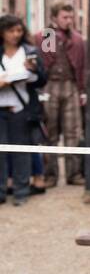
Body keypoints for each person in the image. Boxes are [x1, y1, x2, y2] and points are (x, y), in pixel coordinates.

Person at [0, 15, 49, 207]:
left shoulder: (30, 51)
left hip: (21, 109)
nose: (15, 34)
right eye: (11, 30)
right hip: (0, 109)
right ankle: (1, 190)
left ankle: (21, 190)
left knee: (21, 151)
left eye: (19, 30)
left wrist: (34, 70)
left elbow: (42, 79)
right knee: (1, 153)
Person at [39, 0, 86, 187]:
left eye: (70, 17)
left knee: (73, 131)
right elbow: (46, 61)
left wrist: (82, 90)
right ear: (54, 17)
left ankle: (73, 174)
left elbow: (82, 66)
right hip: (51, 85)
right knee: (50, 131)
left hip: (71, 86)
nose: (69, 20)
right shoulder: (48, 35)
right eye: (65, 17)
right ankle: (50, 175)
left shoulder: (76, 38)